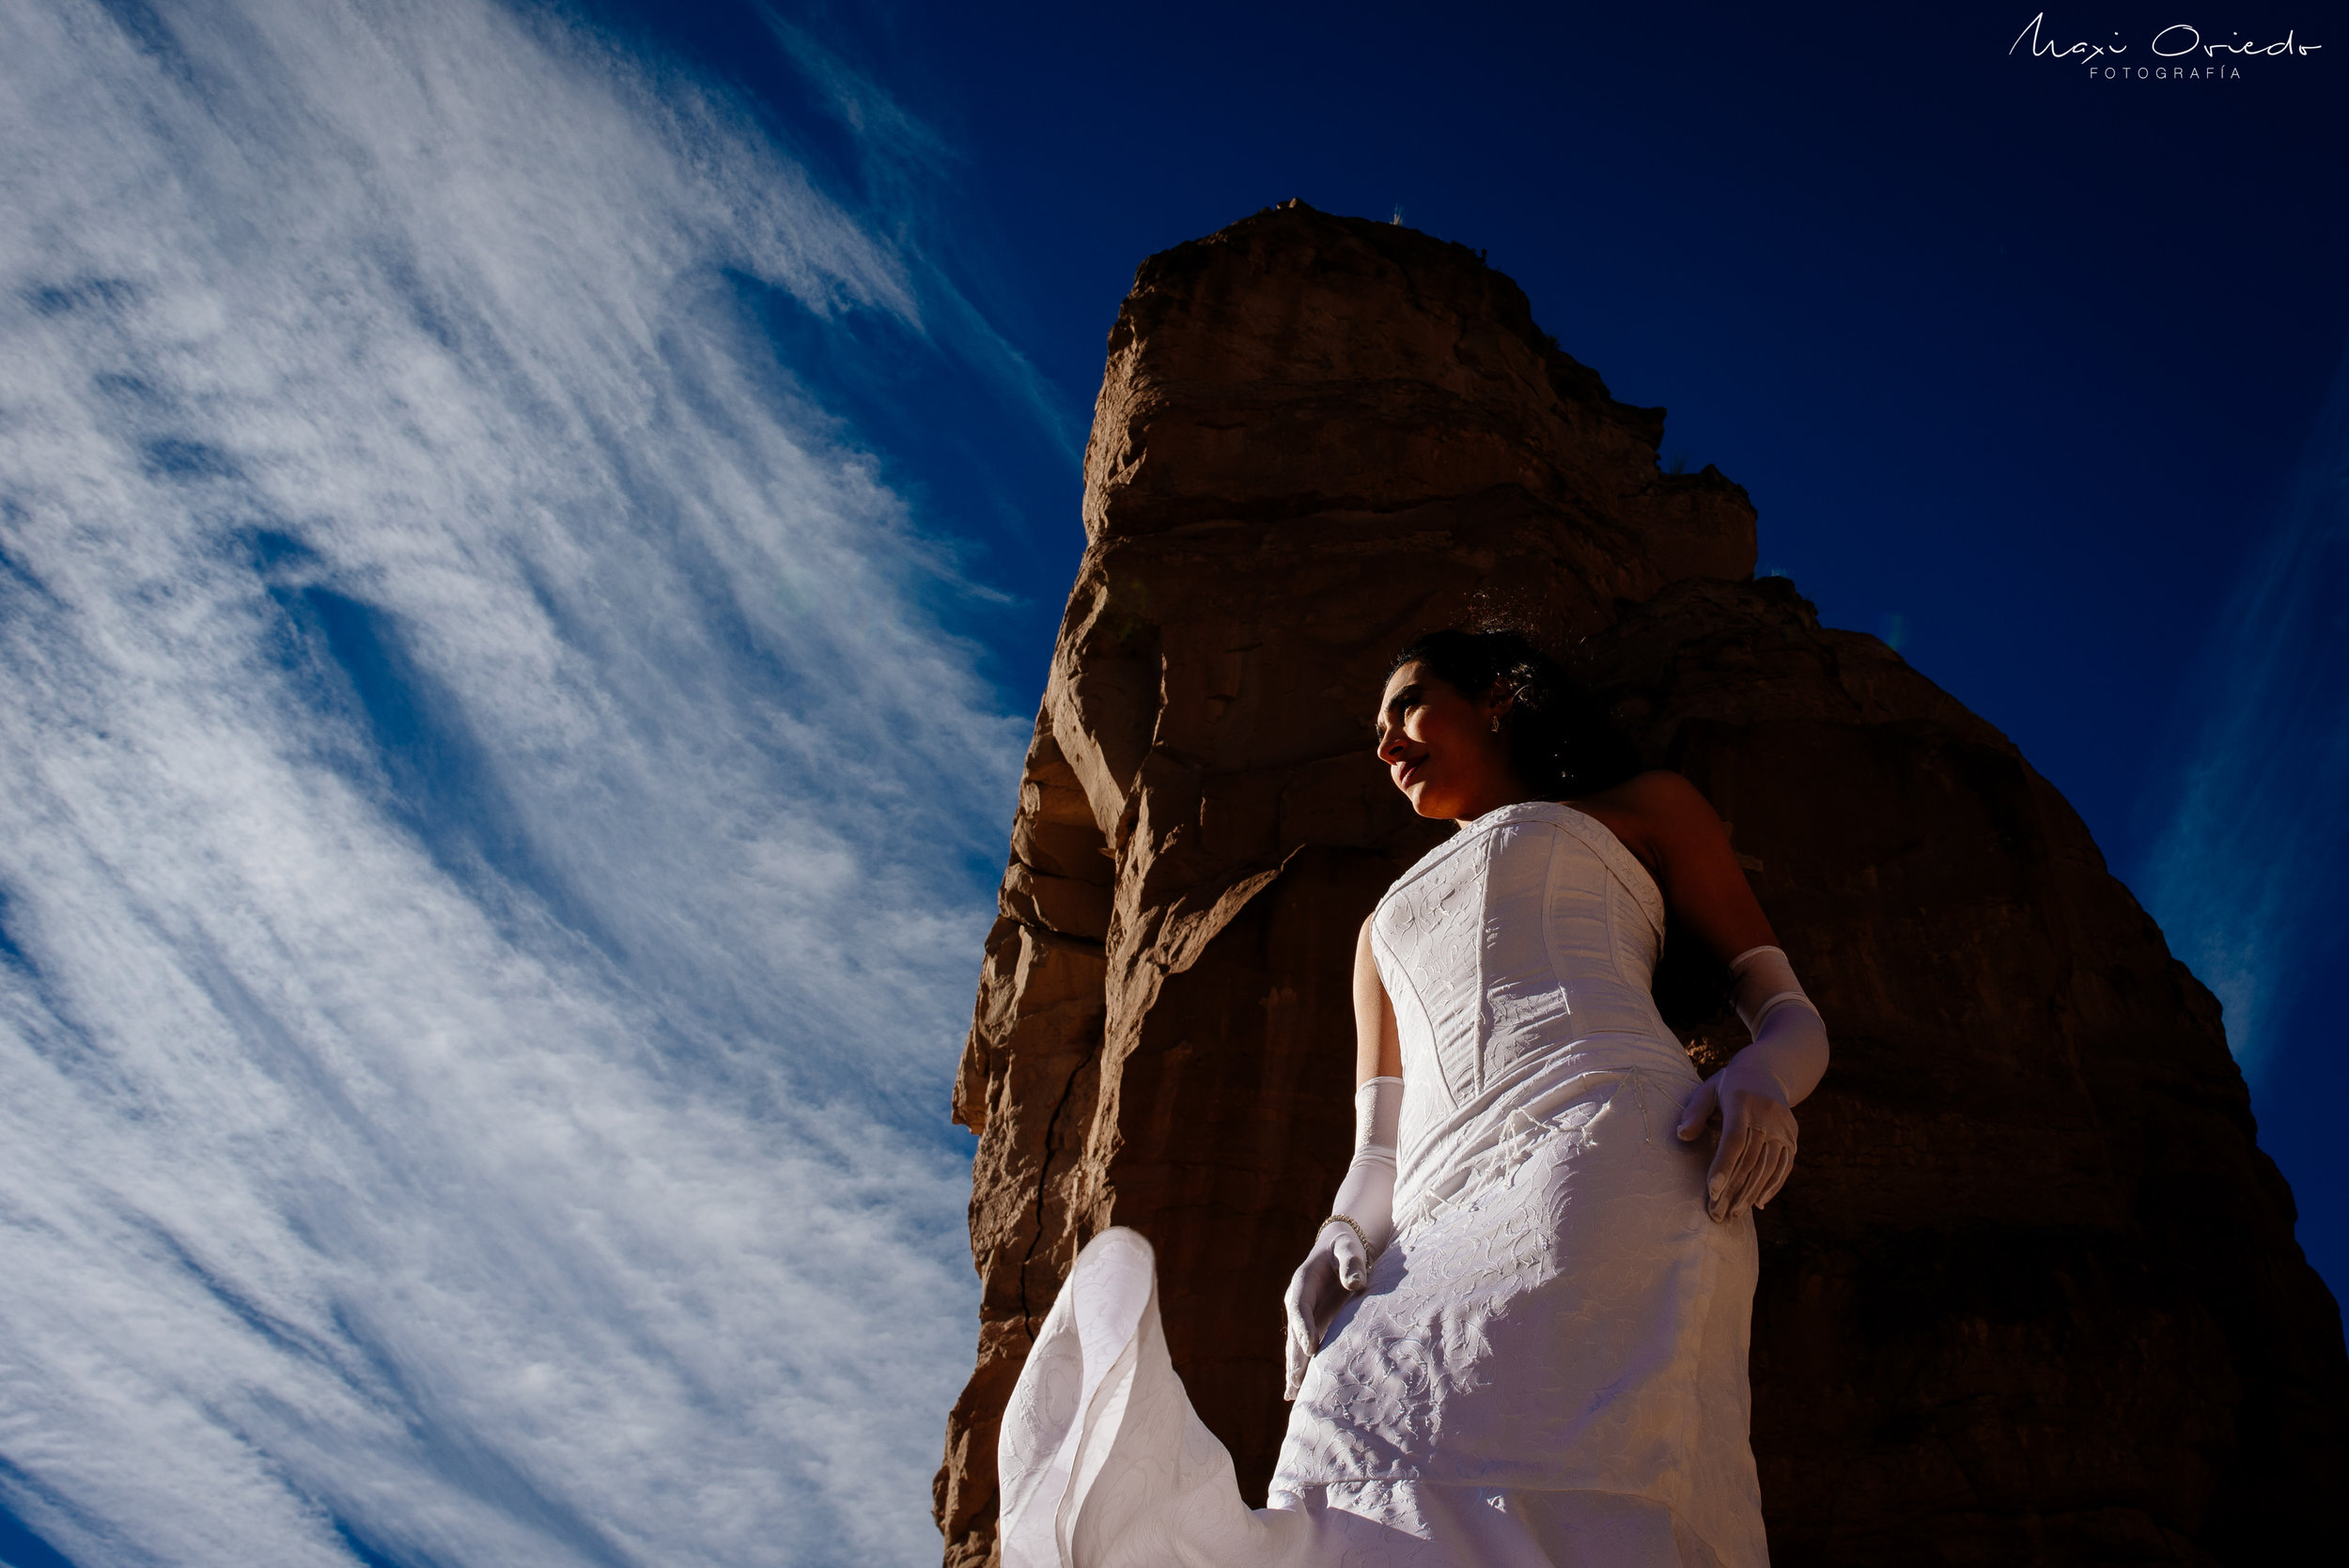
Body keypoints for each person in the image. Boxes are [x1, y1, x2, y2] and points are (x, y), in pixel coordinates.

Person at [995, 628, 1830, 1568]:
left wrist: (1761, 1074)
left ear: (1496, 700)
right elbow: (1377, 1149)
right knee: (1337, 1472)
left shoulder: (1639, 809)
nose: (1387, 745)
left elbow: (1786, 1008)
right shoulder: (1380, 922)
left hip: (1604, 1156)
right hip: (1423, 1234)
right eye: (1377, 729)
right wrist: (1335, 1237)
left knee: (1592, 1467)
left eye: (1407, 705)